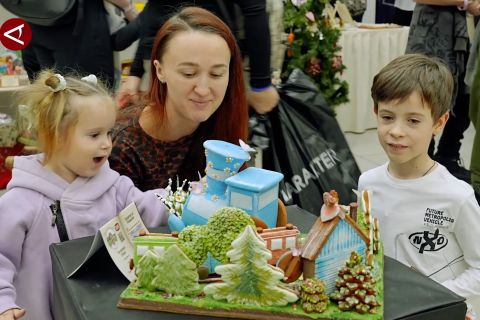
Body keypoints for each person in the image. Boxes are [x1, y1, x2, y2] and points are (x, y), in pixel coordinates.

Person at [0, 71, 168, 320]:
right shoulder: (22, 201)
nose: (107, 144)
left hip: (98, 310)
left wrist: (185, 197)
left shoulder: (114, 186)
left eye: (109, 133)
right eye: (94, 135)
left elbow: (147, 207)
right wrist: (4, 302)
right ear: (57, 136)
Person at [358, 54, 480, 314]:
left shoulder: (457, 196)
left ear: (439, 122)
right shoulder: (368, 183)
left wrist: (431, 298)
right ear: (375, 112)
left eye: (413, 121)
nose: (397, 131)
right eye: (388, 117)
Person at [109, 6, 249, 191]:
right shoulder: (123, 148)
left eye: (216, 74)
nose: (203, 89)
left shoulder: (222, 125)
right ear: (160, 71)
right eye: (189, 73)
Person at [112, 0, 279, 114]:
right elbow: (254, 10)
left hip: (169, 56)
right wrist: (261, 84)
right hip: (205, 54)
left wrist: (136, 72)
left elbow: (153, 12)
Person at [405, 0, 480, 183]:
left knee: (464, 100)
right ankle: (420, 163)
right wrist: (465, 2)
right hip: (431, 34)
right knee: (425, 98)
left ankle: (448, 158)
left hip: (466, 35)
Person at [20, 0, 138, 89]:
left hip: (53, 93)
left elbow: (32, 66)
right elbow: (119, 40)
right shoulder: (89, 7)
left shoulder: (33, 9)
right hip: (90, 88)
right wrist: (129, 9)